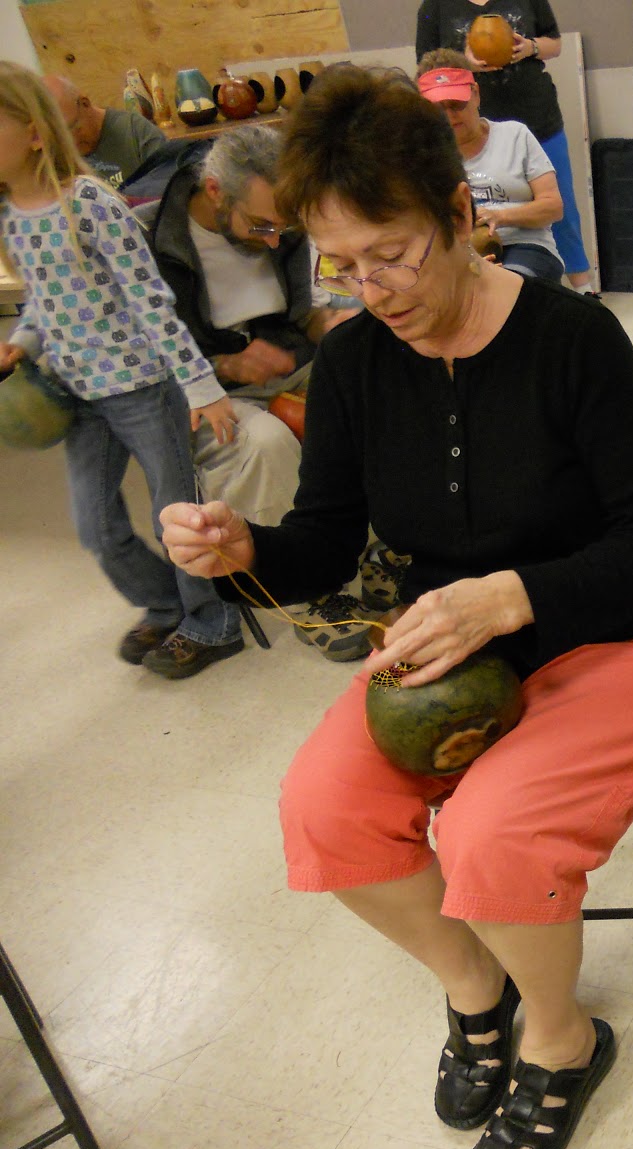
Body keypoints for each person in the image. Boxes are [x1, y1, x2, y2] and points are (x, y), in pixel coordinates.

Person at [158, 65, 633, 1149]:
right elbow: (322, 539)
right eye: (341, 265)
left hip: (612, 644)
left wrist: (511, 596)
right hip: (447, 664)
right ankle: (476, 988)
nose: (371, 291)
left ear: (461, 216)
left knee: (492, 837)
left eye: (393, 254)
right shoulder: (358, 359)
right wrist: (245, 549)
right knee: (323, 812)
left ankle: (563, 1040)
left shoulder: (572, 340)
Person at [0, 62, 242, 679]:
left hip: (143, 389)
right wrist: (24, 341)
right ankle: (166, 603)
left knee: (175, 519)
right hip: (76, 392)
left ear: (33, 133)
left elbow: (151, 303)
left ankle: (212, 622)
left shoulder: (91, 207)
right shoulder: (10, 216)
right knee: (97, 529)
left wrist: (200, 384)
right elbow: (42, 300)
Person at [143, 123, 373, 660]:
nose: (275, 238)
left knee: (379, 388)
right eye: (261, 225)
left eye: (283, 227)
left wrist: (342, 325)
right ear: (216, 192)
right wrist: (224, 363)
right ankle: (310, 592)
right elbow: (143, 353)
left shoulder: (284, 223)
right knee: (266, 444)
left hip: (290, 360)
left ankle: (386, 549)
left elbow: (309, 311)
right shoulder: (153, 238)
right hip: (209, 389)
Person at [416, 0, 596, 294]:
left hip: (534, 116)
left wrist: (530, 48)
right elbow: (424, 62)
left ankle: (583, 290)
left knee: (559, 207)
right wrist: (465, 64)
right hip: (464, 121)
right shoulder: (435, 5)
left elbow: (555, 43)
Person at [416, 50, 564, 283]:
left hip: (525, 245)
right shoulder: (423, 156)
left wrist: (501, 216)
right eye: (438, 109)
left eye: (456, 104)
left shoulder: (515, 136)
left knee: (507, 286)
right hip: (460, 251)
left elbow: (553, 207)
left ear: (475, 94)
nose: (450, 116)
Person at [42, 73, 167, 190]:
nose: (70, 142)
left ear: (85, 104)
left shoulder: (137, 131)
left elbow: (170, 191)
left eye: (73, 128)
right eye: (59, 136)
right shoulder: (52, 157)